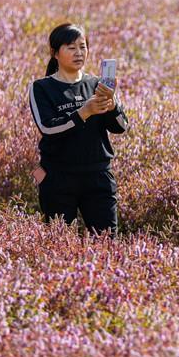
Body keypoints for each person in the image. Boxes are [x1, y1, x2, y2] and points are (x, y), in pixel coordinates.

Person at [27, 23, 128, 234]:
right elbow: (48, 128)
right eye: (71, 47)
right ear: (55, 53)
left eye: (83, 47)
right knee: (58, 243)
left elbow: (121, 126)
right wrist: (84, 112)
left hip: (98, 176)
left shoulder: (97, 84)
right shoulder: (41, 87)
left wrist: (112, 106)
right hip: (58, 177)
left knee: (107, 243)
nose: (79, 53)